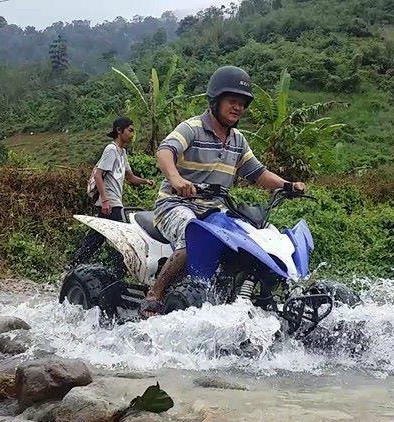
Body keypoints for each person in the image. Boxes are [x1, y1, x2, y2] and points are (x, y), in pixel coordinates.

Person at [140, 66, 306, 318]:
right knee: (190, 233)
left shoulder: (238, 140)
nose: (237, 107)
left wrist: (287, 185)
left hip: (214, 212)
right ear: (216, 100)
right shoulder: (192, 128)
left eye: (242, 103)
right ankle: (155, 296)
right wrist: (176, 179)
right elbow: (165, 151)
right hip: (175, 205)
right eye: (232, 101)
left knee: (253, 239)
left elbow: (258, 173)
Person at [69, 117, 152, 268]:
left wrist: (146, 181)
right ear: (119, 131)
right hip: (111, 201)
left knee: (98, 237)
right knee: (123, 238)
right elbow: (98, 175)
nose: (132, 134)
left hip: (113, 201)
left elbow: (130, 177)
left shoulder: (122, 153)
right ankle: (116, 271)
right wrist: (105, 200)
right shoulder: (111, 149)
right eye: (130, 130)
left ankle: (75, 265)